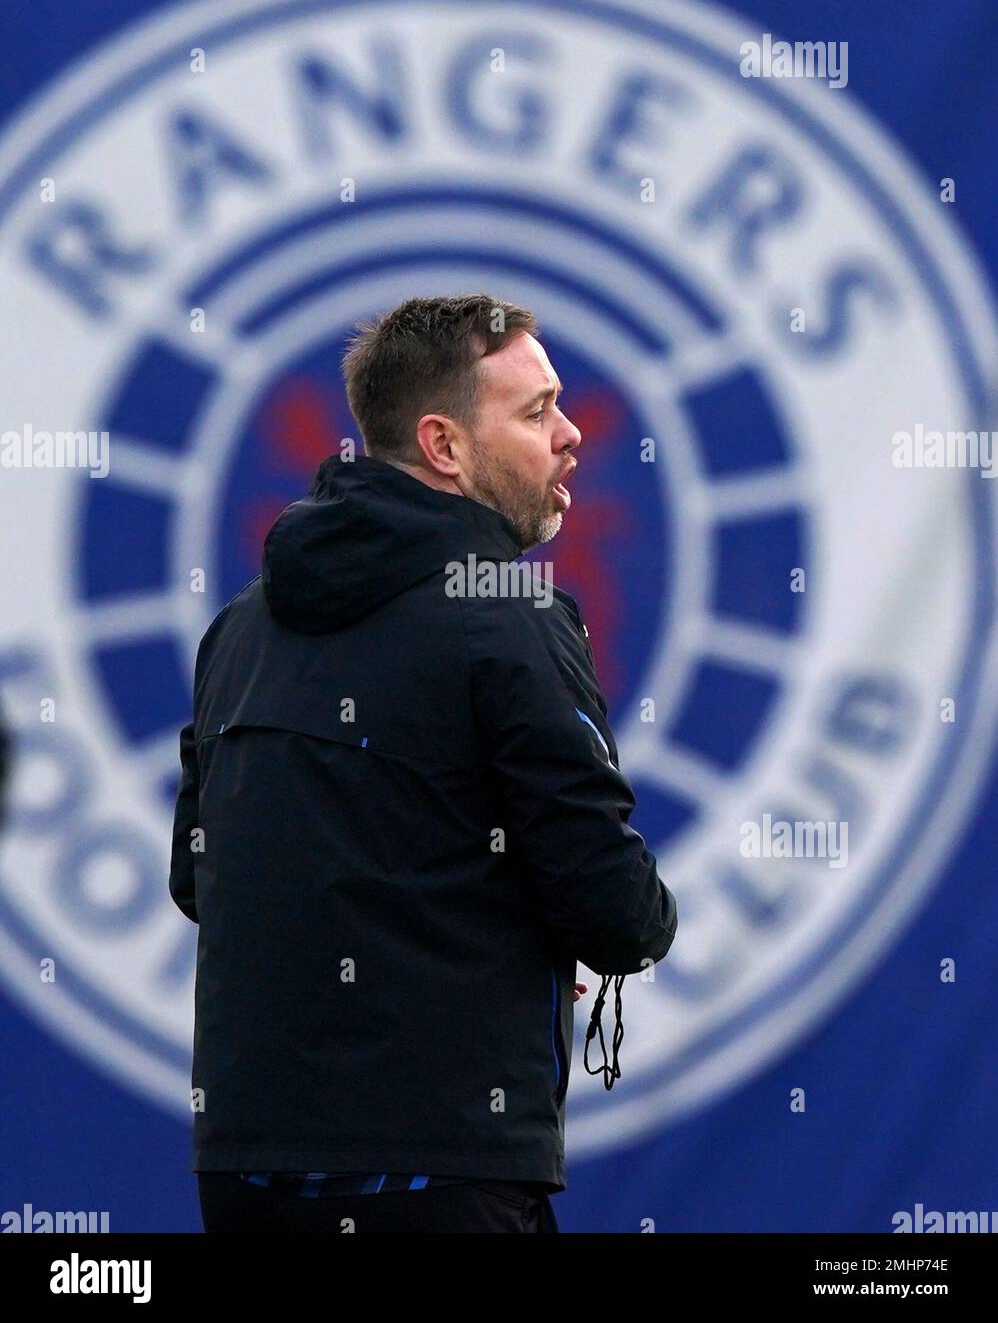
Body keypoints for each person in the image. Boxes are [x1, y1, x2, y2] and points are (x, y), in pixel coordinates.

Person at [170, 293, 678, 1233]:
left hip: (246, 1171)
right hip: (444, 1174)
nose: (571, 435)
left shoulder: (236, 630)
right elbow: (615, 914)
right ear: (444, 446)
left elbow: (205, 879)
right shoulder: (513, 617)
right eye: (535, 412)